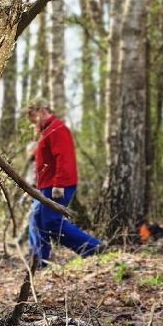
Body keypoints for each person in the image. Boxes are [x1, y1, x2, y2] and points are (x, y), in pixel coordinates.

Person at [22, 100, 103, 266]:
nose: (32, 123)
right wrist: (32, 187)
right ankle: (38, 261)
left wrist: (59, 184)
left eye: (33, 117)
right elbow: (44, 164)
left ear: (42, 111)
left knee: (50, 221)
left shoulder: (57, 129)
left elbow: (64, 159)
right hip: (45, 186)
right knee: (36, 220)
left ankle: (92, 248)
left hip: (57, 186)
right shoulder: (46, 132)